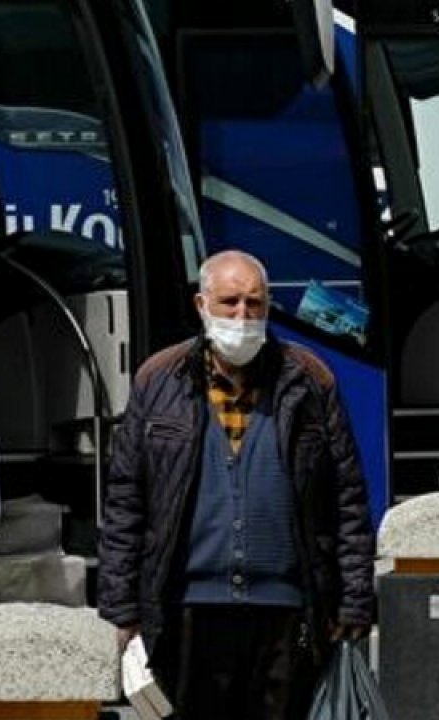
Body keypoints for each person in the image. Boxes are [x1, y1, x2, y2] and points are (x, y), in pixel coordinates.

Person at [98, 251, 376, 720]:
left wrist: (354, 599)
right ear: (201, 304)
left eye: (255, 304)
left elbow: (347, 497)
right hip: (187, 612)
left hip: (287, 612)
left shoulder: (309, 380)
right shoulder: (158, 379)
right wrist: (122, 608)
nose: (243, 316)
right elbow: (126, 501)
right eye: (229, 303)